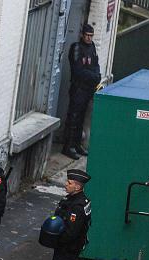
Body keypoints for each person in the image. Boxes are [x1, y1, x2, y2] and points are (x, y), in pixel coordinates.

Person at [62, 23, 101, 160]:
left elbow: (95, 65)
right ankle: (68, 146)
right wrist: (93, 76)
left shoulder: (92, 47)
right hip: (78, 88)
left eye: (91, 36)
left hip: (88, 89)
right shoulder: (76, 48)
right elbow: (78, 70)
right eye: (87, 35)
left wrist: (97, 76)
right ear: (82, 35)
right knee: (73, 117)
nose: (89, 38)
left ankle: (77, 144)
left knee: (81, 118)